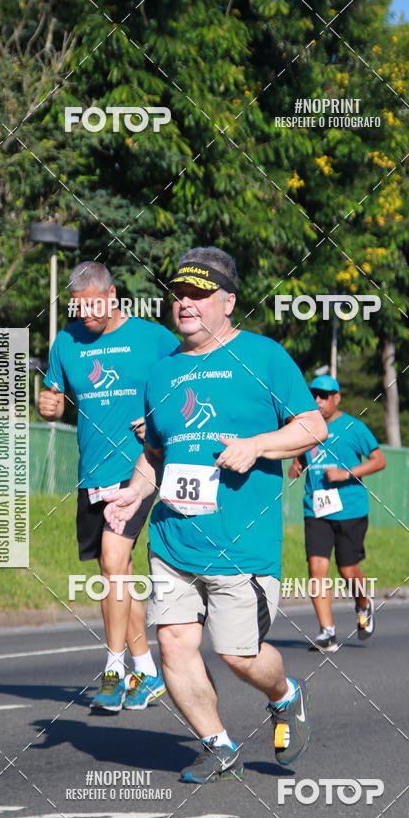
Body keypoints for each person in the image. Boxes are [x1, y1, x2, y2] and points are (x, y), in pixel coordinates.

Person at [103, 246, 326, 783]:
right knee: (174, 642)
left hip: (241, 547)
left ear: (227, 301)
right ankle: (217, 743)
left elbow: (313, 427)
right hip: (173, 542)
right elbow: (158, 452)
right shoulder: (162, 374)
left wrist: (257, 445)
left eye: (199, 294)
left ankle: (285, 693)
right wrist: (136, 492)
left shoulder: (265, 357)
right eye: (179, 293)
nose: (185, 303)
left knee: (238, 655)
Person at [38, 261, 178, 711]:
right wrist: (48, 405)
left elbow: (188, 380)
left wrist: (159, 419)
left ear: (113, 294)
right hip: (91, 473)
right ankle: (150, 672)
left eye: (93, 306)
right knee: (115, 575)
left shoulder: (153, 338)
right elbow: (55, 405)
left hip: (138, 468)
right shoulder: (66, 342)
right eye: (78, 309)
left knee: (115, 562)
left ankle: (114, 669)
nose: (85, 317)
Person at [289, 375, 386, 652]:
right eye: (314, 395)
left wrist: (347, 473)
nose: (318, 401)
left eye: (324, 396)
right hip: (316, 508)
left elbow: (379, 460)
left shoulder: (354, 428)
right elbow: (299, 457)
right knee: (316, 568)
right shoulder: (305, 428)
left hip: (350, 509)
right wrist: (296, 466)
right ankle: (326, 632)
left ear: (337, 398)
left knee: (348, 570)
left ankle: (364, 604)